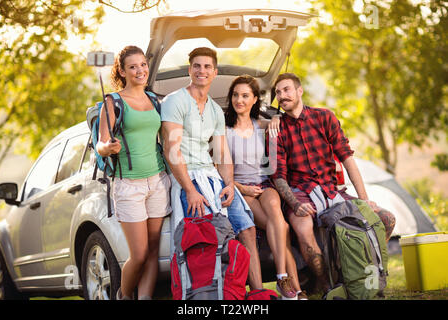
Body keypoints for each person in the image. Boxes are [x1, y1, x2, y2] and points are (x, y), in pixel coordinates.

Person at [268, 73, 396, 295]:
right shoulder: (277, 130)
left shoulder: (324, 117)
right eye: (278, 93)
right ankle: (326, 283)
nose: (282, 96)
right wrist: (295, 204)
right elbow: (278, 176)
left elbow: (347, 158)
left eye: (286, 90)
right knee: (304, 230)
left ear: (300, 91)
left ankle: (368, 270)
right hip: (300, 192)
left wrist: (365, 200)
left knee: (385, 219)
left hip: (331, 190)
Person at [161, 47, 264, 291]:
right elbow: (171, 150)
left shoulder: (216, 110)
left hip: (213, 178)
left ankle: (258, 293)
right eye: (197, 65)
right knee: (205, 235)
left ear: (215, 72)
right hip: (188, 179)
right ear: (189, 69)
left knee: (247, 228)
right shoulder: (175, 101)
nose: (202, 71)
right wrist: (190, 190)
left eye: (207, 66)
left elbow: (222, 154)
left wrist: (229, 184)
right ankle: (206, 294)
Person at [96, 45, 172, 300]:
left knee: (152, 252)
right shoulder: (113, 101)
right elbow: (101, 142)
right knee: (138, 255)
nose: (140, 70)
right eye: (133, 66)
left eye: (143, 65)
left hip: (158, 182)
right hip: (129, 185)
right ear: (122, 71)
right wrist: (109, 147)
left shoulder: (154, 100)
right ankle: (124, 295)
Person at [225, 75, 307, 300]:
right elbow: (219, 170)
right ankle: (294, 289)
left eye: (245, 96)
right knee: (282, 229)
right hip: (243, 190)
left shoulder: (261, 125)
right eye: (235, 95)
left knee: (278, 220)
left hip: (265, 185)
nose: (239, 100)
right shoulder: (224, 130)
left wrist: (277, 117)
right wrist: (242, 188)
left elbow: (281, 120)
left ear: (254, 100)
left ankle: (283, 279)